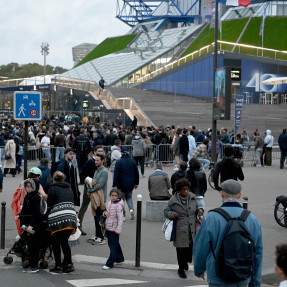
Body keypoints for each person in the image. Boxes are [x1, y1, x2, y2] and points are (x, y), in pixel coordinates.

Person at [193, 179, 263, 287]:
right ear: (239, 195)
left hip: (217, 276)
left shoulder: (211, 218)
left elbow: (201, 247)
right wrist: (255, 282)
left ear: (222, 194)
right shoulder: (252, 219)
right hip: (243, 276)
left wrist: (199, 269)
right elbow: (257, 253)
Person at [164, 178, 197, 279]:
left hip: (191, 228)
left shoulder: (193, 198)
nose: (186, 191)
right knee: (180, 250)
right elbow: (166, 212)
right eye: (184, 189)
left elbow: (198, 208)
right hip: (180, 229)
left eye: (187, 189)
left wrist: (200, 210)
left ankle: (186, 261)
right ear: (178, 190)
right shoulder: (173, 200)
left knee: (189, 248)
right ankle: (181, 269)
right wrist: (173, 214)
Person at [47, 171, 77, 273]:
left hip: (58, 219)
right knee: (65, 242)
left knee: (56, 243)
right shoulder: (69, 188)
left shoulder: (52, 188)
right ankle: (68, 264)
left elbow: (49, 203)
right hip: (71, 218)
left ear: (53, 179)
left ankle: (58, 265)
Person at [17, 178, 47, 273]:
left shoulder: (36, 197)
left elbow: (37, 213)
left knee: (34, 247)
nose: (27, 188)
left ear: (34, 187)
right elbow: (25, 210)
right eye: (26, 186)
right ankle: (32, 265)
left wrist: (31, 225)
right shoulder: (29, 196)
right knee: (31, 246)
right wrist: (19, 216)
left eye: (29, 186)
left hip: (35, 226)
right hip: (29, 225)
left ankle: (34, 266)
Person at [78, 145, 105, 235]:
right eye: (99, 151)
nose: (101, 152)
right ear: (94, 152)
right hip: (89, 188)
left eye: (102, 151)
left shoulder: (101, 161)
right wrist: (90, 182)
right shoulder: (90, 162)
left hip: (98, 188)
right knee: (84, 206)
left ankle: (100, 229)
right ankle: (78, 226)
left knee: (99, 208)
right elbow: (83, 175)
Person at [87, 153, 108, 245]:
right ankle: (97, 235)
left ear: (102, 160)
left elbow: (99, 185)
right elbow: (92, 183)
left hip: (101, 198)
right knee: (96, 217)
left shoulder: (104, 171)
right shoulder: (97, 171)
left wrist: (90, 190)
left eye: (98, 160)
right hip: (95, 197)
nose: (95, 162)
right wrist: (89, 188)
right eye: (95, 160)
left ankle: (102, 237)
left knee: (100, 219)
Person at [113, 150, 139, 220]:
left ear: (121, 153)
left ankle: (123, 215)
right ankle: (131, 210)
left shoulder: (119, 162)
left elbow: (116, 174)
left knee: (121, 200)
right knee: (129, 197)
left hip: (121, 184)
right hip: (130, 184)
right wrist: (136, 183)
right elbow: (136, 173)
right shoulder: (132, 161)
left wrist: (114, 184)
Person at [102, 188, 125, 270]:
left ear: (118, 196)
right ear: (110, 196)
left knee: (113, 245)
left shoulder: (118, 205)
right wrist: (105, 213)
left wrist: (118, 229)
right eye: (112, 195)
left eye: (115, 196)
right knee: (114, 244)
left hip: (114, 229)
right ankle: (119, 258)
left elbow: (120, 218)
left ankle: (110, 263)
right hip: (109, 227)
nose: (114, 197)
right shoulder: (109, 203)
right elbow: (107, 212)